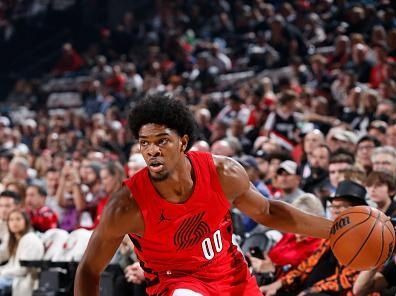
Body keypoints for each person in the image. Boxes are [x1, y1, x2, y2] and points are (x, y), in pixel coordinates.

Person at [75, 94, 332, 296]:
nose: (152, 150)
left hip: (233, 278)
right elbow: (89, 269)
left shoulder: (223, 173)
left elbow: (267, 211)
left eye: (162, 141)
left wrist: (335, 230)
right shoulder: (126, 205)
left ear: (183, 142)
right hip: (178, 284)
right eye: (145, 142)